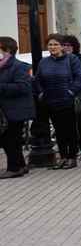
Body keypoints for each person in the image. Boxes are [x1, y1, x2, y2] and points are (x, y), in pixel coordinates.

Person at [37, 34, 81, 169]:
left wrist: (71, 91)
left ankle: (72, 157)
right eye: (50, 45)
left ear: (62, 46)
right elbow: (38, 79)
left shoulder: (72, 59)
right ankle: (63, 157)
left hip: (67, 101)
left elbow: (80, 77)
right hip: (51, 101)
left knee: (70, 130)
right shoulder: (43, 62)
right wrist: (41, 93)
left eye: (56, 44)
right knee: (59, 131)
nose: (52, 47)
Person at [0, 37, 33, 177]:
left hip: (15, 110)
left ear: (7, 50)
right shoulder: (2, 65)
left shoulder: (19, 66)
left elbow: (23, 87)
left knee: (10, 140)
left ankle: (13, 169)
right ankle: (20, 166)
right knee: (10, 140)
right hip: (4, 111)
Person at [60, 35, 81, 159]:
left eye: (69, 45)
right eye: (64, 45)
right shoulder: (58, 59)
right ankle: (72, 149)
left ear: (74, 47)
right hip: (63, 96)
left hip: (79, 96)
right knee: (67, 125)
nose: (66, 48)